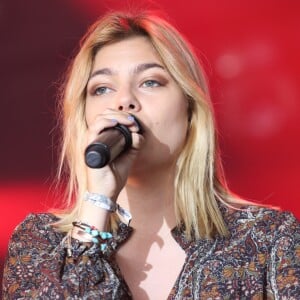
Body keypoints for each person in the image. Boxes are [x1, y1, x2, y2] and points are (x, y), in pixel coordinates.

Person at [2, 10, 300, 300]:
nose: (124, 101)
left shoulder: (270, 240)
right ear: (85, 118)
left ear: (190, 110)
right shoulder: (40, 245)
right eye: (102, 88)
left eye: (150, 82)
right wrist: (98, 203)